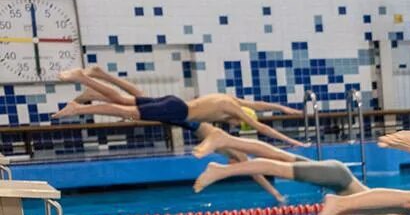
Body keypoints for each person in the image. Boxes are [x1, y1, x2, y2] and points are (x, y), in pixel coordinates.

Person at [190, 130, 410, 215]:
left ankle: (225, 139)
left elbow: (351, 211)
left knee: (278, 156)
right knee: (277, 167)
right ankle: (220, 170)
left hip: (337, 178)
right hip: (339, 179)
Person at [51, 67, 306, 147]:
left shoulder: (232, 100)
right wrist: (294, 142)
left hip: (175, 101)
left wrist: (288, 110)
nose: (232, 125)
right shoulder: (235, 111)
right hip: (177, 111)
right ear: (236, 118)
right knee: (124, 111)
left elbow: (260, 105)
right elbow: (262, 127)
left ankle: (91, 78)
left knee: (123, 101)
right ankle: (79, 105)